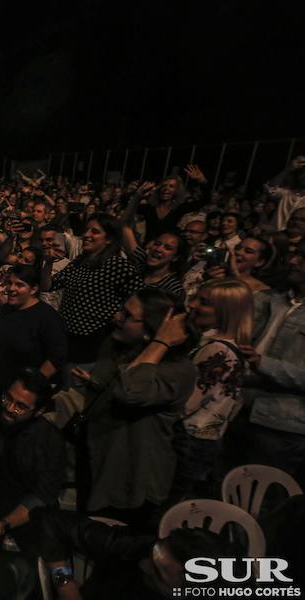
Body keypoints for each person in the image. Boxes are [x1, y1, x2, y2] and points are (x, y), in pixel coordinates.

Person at [53, 288, 196, 527]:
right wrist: (95, 383)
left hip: (129, 476)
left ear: (152, 329)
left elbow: (130, 391)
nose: (116, 317)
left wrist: (160, 341)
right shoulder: (116, 345)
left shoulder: (178, 370)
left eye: (127, 316)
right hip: (95, 457)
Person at [0, 369, 66, 599]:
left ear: (39, 411)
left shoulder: (48, 438)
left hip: (26, 504)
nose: (9, 408)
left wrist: (4, 525)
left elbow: (43, 493)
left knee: (45, 546)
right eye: (8, 398)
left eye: (21, 406)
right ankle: (10, 583)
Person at [35, 507, 236, 600]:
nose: (143, 564)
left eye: (158, 573)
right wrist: (65, 584)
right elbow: (51, 521)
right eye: (153, 552)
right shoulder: (140, 548)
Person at [171, 279, 252, 501]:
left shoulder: (217, 350)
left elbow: (187, 402)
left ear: (225, 311)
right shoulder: (225, 346)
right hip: (203, 440)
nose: (193, 305)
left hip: (189, 439)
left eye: (204, 302)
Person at [234, 240, 305, 487]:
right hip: (241, 403)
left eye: (302, 257)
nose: (294, 261)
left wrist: (263, 363)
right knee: (222, 485)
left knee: (258, 499)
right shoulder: (272, 299)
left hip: (281, 422)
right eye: (295, 255)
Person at [45, 213, 143, 366]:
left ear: (109, 239)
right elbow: (49, 286)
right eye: (87, 230)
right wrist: (48, 263)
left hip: (89, 339)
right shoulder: (81, 260)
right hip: (64, 333)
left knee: (71, 384)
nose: (86, 235)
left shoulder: (116, 265)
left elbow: (139, 295)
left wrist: (120, 313)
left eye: (95, 231)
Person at [0, 264, 68, 390]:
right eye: (10, 283)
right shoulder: (7, 309)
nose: (11, 288)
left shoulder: (48, 317)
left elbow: (56, 358)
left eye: (19, 284)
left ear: (33, 289)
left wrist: (30, 385)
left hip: (24, 392)